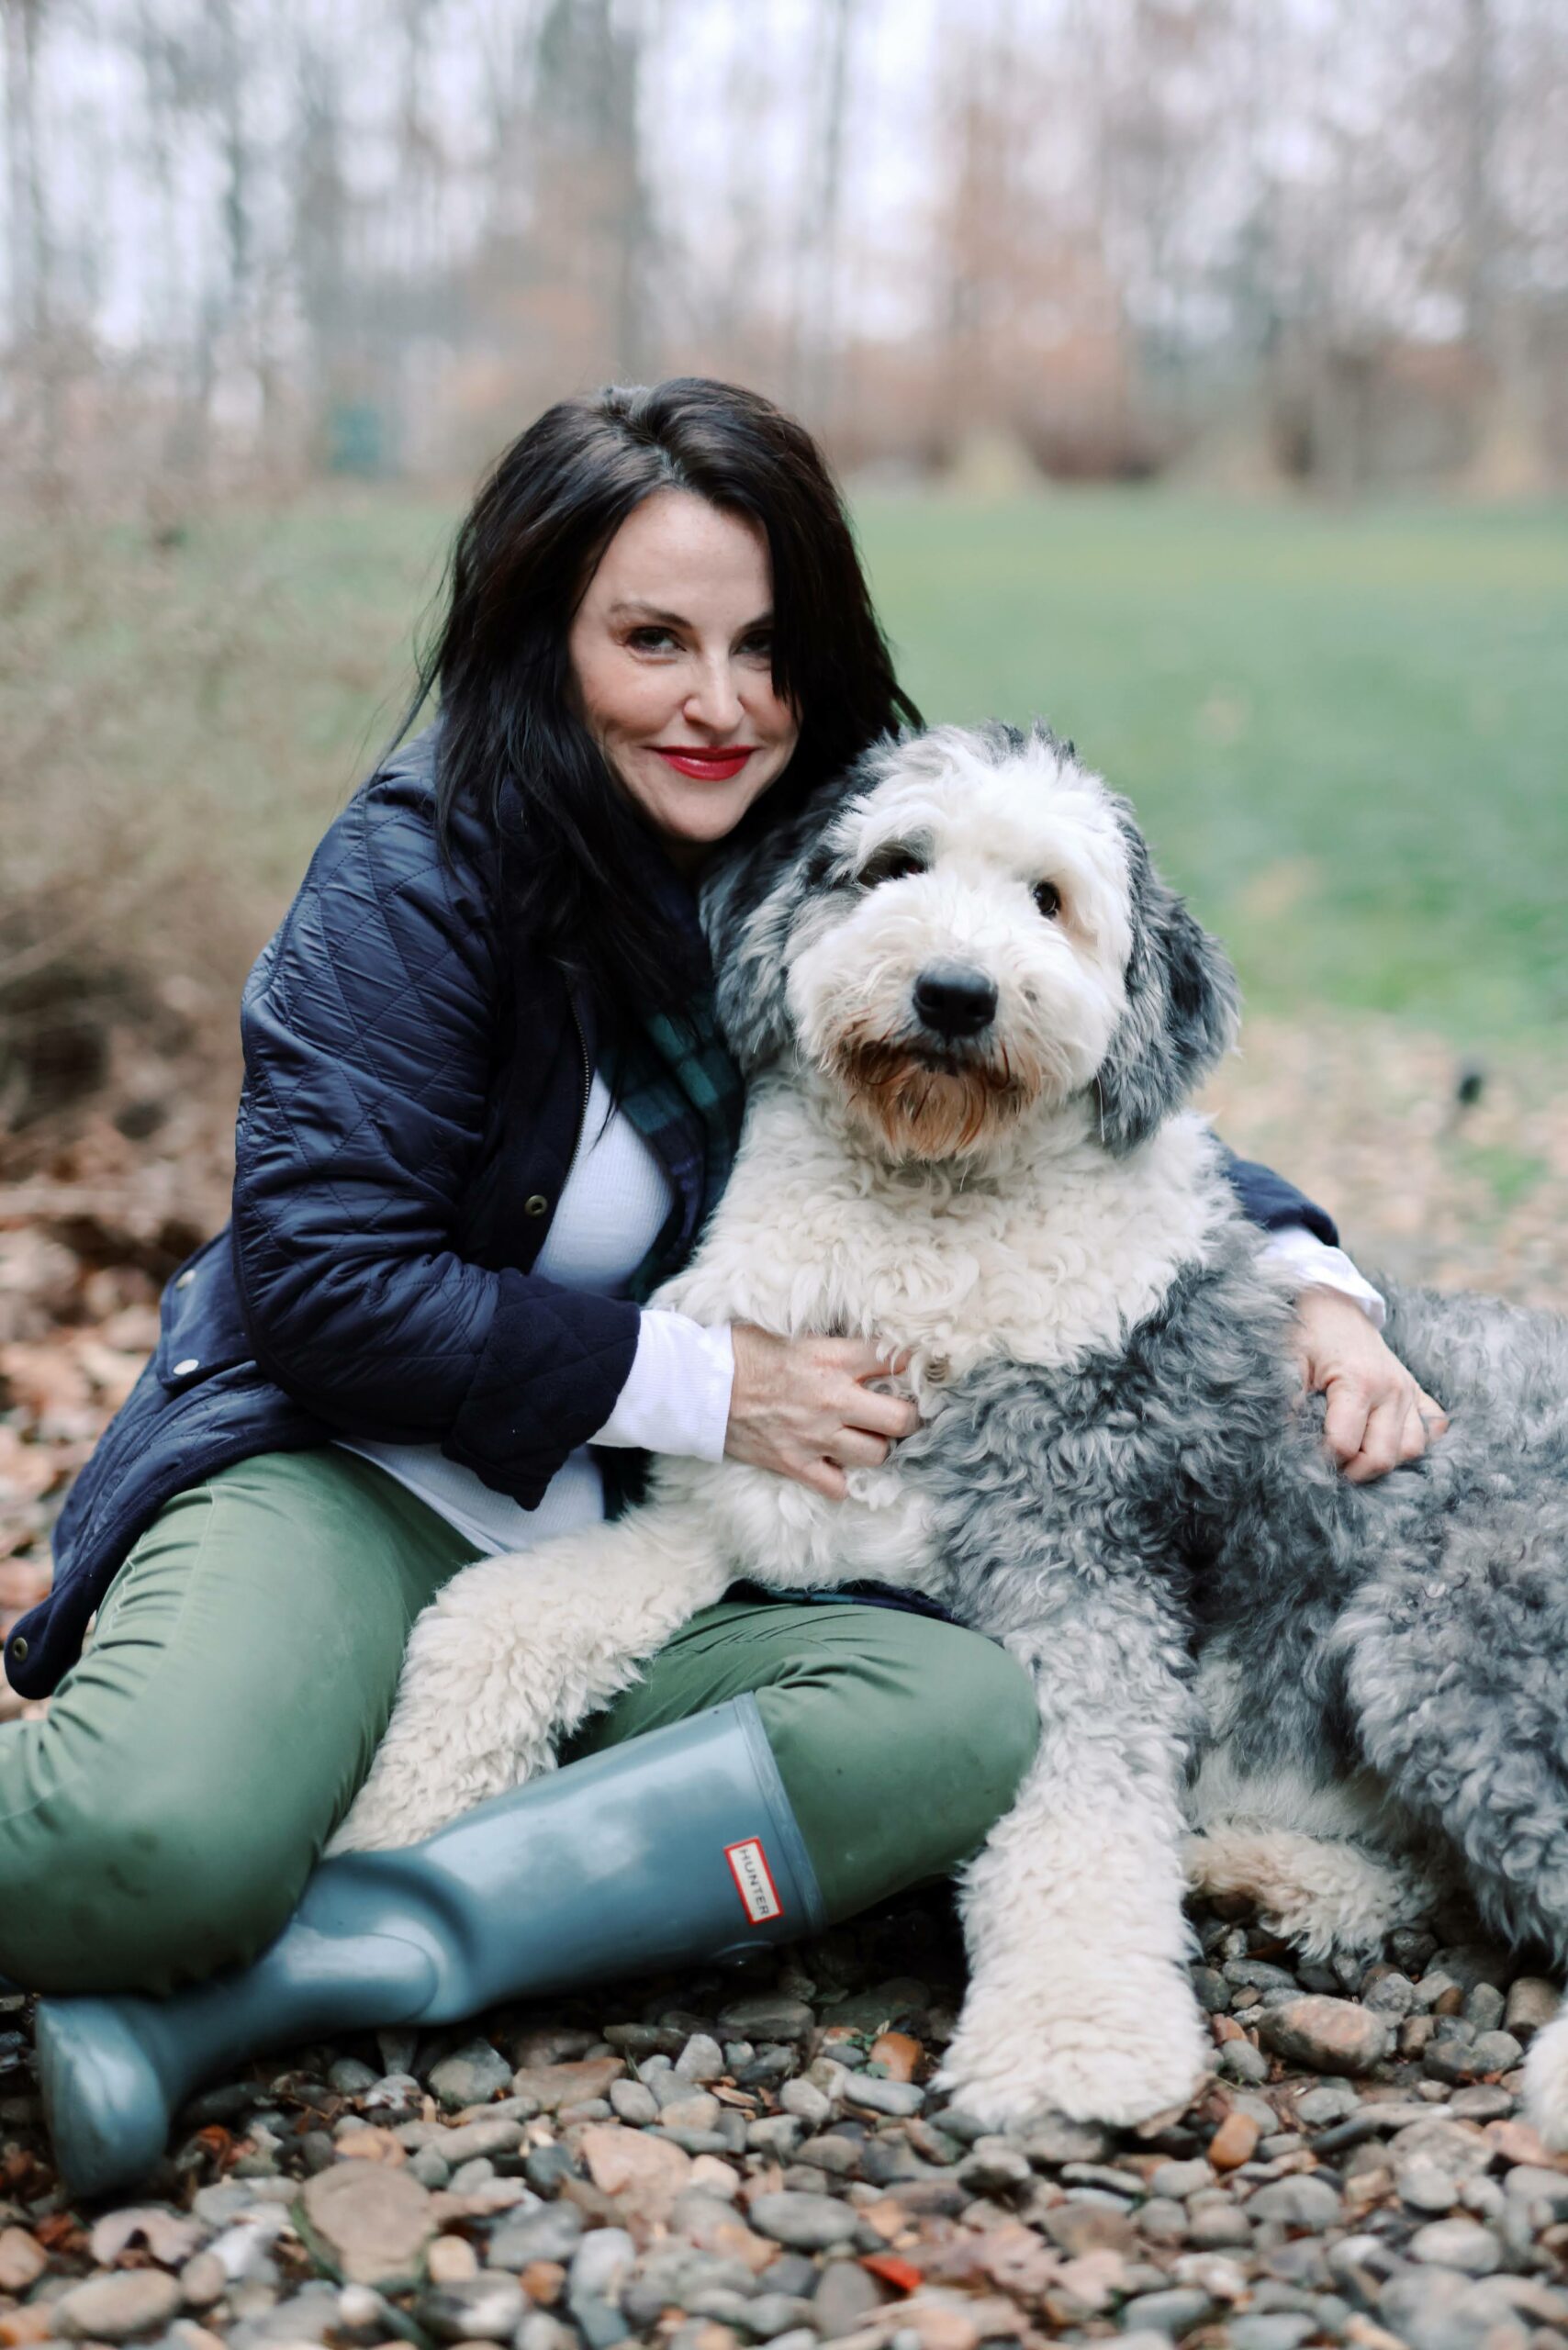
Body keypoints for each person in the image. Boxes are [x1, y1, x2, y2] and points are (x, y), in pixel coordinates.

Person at [0, 379, 1444, 2190]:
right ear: (540, 638)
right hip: (356, 1475)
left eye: (764, 647)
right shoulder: (413, 876)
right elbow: (320, 1283)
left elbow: (1088, 1115)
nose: (717, 700)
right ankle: (266, 1891)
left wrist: (1315, 1273)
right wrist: (709, 1387)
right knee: (142, 1844)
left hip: (650, 1550)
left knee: (958, 1717)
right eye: (652, 638)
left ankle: (308, 1970)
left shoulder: (830, 852)